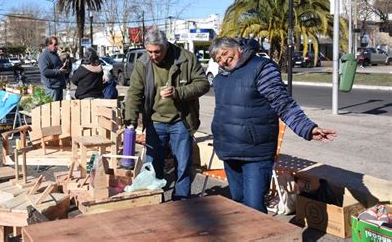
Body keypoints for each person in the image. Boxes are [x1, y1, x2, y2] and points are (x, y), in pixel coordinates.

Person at [209, 37, 337, 213]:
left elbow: (283, 104)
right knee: (238, 202)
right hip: (229, 151)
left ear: (238, 48)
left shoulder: (261, 68)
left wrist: (307, 128)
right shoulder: (220, 78)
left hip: (255, 152)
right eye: (218, 59)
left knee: (253, 207)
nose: (223, 60)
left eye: (225, 53)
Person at [125, 30, 210, 200]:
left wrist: (178, 92)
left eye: (157, 51)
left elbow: (203, 84)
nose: (153, 56)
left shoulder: (186, 58)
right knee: (153, 165)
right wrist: (131, 121)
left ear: (166, 46)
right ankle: (155, 199)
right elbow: (134, 93)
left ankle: (182, 200)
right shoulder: (143, 64)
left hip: (182, 120)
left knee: (183, 165)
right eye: (149, 52)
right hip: (155, 121)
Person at [38, 36, 68, 101]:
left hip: (58, 86)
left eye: (57, 44)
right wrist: (59, 71)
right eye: (55, 45)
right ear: (49, 45)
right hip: (51, 88)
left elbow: (56, 67)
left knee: (59, 108)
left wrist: (63, 67)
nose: (57, 46)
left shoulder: (55, 54)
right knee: (52, 108)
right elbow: (45, 71)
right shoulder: (44, 56)